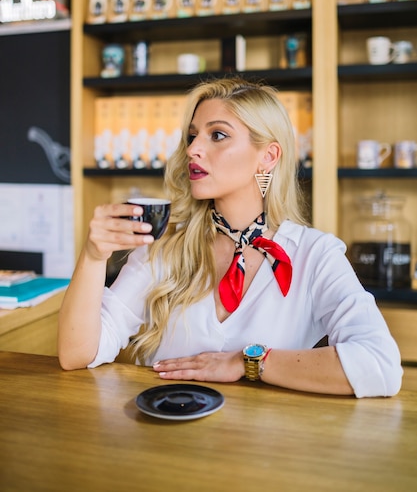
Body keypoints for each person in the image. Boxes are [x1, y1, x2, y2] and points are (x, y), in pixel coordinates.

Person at [58, 76, 403, 398]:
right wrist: (92, 256)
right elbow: (76, 354)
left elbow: (380, 364)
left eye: (217, 135)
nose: (193, 149)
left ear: (267, 157)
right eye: (192, 136)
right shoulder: (162, 249)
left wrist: (247, 362)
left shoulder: (315, 254)